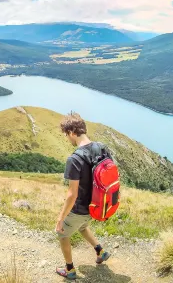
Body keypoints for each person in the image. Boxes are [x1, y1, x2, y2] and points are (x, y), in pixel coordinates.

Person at [55, 112, 111, 280]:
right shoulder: (102, 147)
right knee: (82, 226)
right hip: (98, 206)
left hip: (80, 208)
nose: (67, 139)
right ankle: (100, 251)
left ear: (72, 132)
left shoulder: (74, 159)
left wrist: (60, 218)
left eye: (66, 135)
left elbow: (72, 194)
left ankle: (70, 270)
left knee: (62, 234)